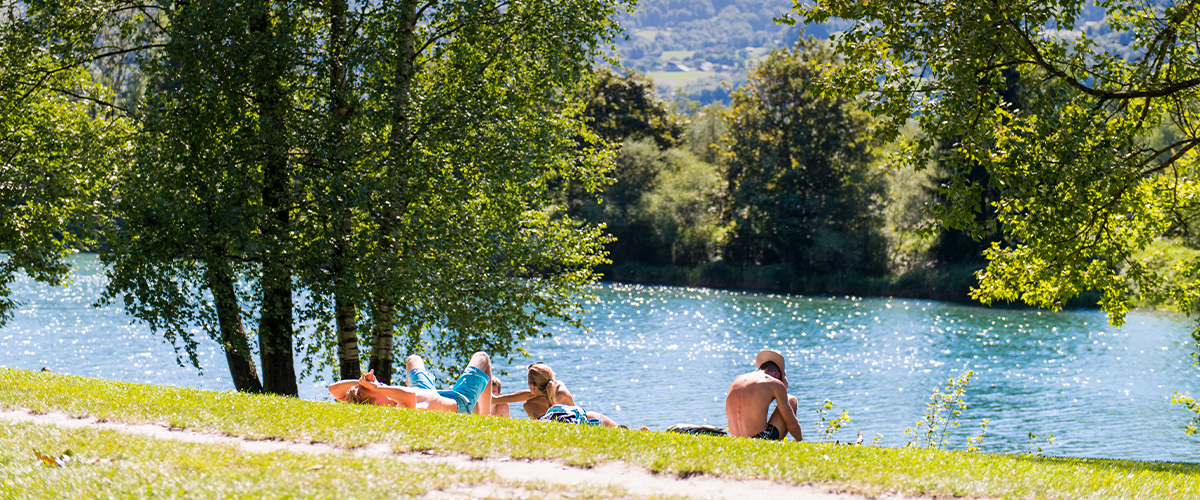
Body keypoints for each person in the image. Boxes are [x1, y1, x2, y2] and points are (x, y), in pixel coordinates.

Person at [327, 351, 494, 415]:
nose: (379, 385)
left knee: (413, 360)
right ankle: (486, 419)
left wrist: (361, 382)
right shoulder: (401, 409)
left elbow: (333, 390)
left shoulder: (384, 400)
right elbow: (409, 396)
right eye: (371, 389)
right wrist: (376, 386)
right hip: (459, 402)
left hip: (426, 391)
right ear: (378, 402)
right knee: (482, 358)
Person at [492, 361, 620, 427]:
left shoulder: (529, 404)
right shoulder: (561, 389)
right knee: (594, 415)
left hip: (565, 426)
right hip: (589, 420)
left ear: (532, 385)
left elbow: (541, 425)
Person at [725, 349, 802, 441]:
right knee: (790, 399)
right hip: (759, 440)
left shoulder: (737, 380)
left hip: (736, 440)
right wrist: (800, 440)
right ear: (777, 375)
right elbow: (793, 426)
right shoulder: (774, 383)